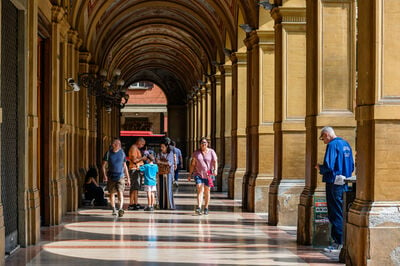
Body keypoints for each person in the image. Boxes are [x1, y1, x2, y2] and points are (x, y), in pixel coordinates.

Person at [315, 126, 354, 253]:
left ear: (327, 135)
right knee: (342, 210)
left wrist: (320, 168)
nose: (323, 141)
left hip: (333, 182)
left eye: (322, 138)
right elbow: (352, 165)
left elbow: (329, 165)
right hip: (344, 182)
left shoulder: (332, 145)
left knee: (335, 212)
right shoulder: (346, 144)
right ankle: (343, 240)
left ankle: (338, 242)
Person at [188, 137, 218, 215]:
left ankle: (206, 207)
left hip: (209, 174)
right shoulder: (196, 153)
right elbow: (193, 164)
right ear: (200, 144)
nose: (203, 144)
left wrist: (215, 170)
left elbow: (215, 161)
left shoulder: (212, 152)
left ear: (207, 144)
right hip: (198, 173)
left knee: (207, 191)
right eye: (202, 143)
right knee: (199, 188)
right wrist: (190, 174)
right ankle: (199, 207)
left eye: (205, 143)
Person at [102, 138, 130, 217]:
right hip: (111, 176)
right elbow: (103, 165)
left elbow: (125, 166)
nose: (120, 145)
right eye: (118, 144)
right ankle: (114, 208)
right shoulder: (108, 153)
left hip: (120, 176)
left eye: (120, 144)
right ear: (113, 145)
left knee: (120, 192)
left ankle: (120, 208)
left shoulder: (122, 153)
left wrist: (128, 178)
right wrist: (104, 175)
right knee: (111, 193)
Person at [128, 137, 147, 210]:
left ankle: (135, 203)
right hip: (134, 169)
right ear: (138, 142)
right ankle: (131, 204)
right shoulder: (133, 148)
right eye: (142, 144)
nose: (142, 146)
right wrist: (142, 158)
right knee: (133, 187)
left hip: (137, 169)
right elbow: (134, 160)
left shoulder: (136, 148)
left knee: (136, 187)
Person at [156, 139, 176, 210]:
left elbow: (169, 163)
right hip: (160, 173)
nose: (161, 148)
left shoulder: (170, 153)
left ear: (167, 146)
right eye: (161, 147)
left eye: (163, 147)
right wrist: (161, 162)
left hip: (168, 173)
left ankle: (169, 205)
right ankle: (161, 205)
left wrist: (160, 162)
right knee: (160, 189)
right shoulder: (159, 153)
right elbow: (157, 161)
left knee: (168, 189)